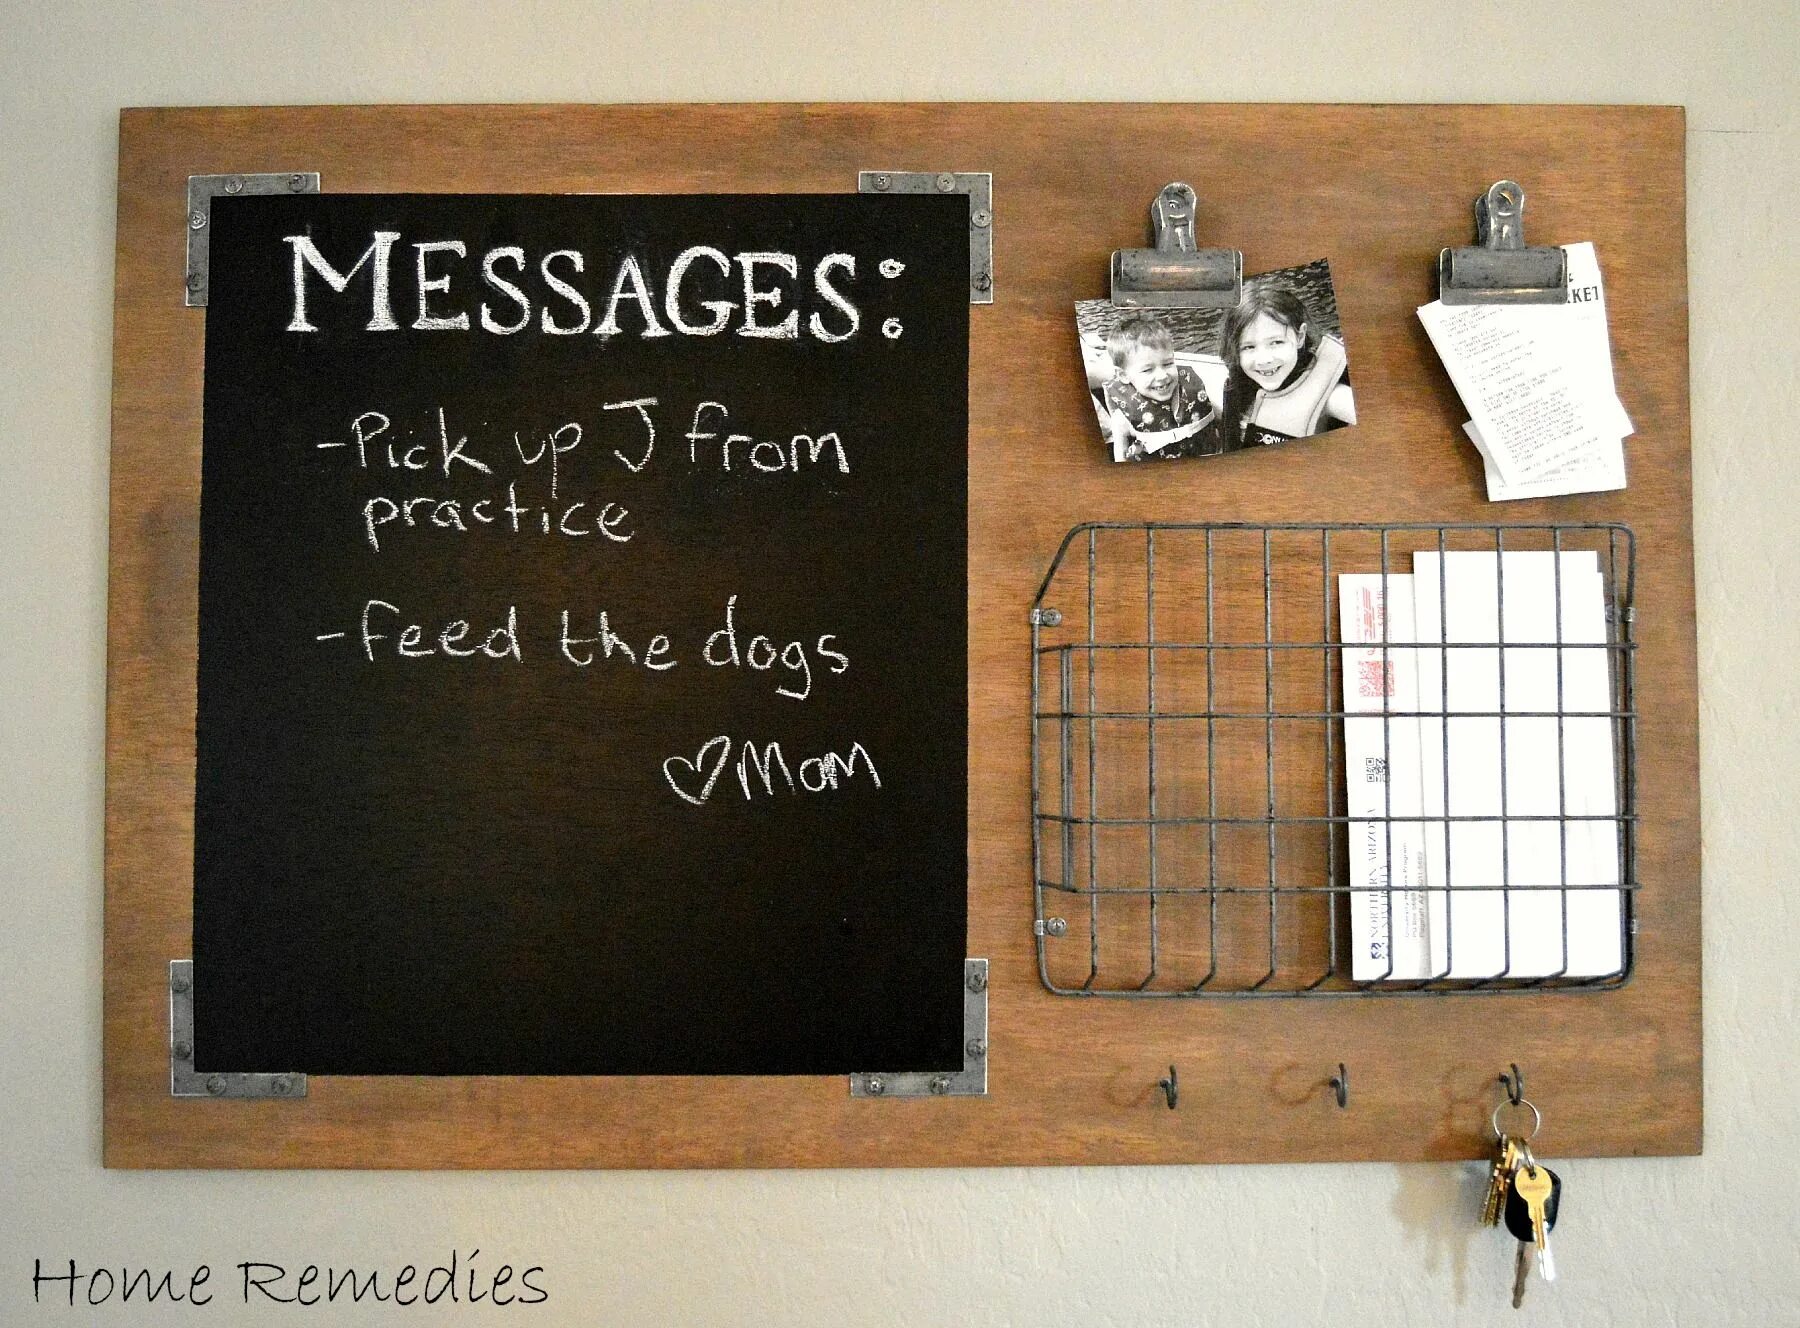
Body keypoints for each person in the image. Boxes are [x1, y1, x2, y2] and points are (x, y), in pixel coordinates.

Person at [1218, 284, 1355, 450]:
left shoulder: (1332, 396)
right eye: (1248, 347)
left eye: (1276, 342)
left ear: (1300, 337)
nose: (1264, 360)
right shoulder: (1241, 386)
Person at [1099, 312, 1221, 462]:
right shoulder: (1122, 417)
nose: (1162, 376)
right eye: (1147, 370)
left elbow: (1218, 415)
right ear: (1124, 375)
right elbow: (1120, 455)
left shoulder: (1194, 391)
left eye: (1168, 364)